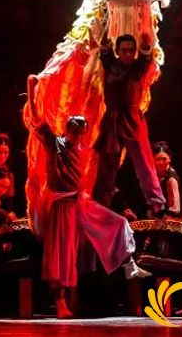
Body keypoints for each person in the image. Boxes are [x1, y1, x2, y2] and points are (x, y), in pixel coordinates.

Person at [25, 84, 151, 319]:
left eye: (81, 132)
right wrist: (32, 89)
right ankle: (61, 303)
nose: (78, 136)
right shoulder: (55, 144)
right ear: (67, 130)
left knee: (116, 223)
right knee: (62, 256)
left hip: (80, 203)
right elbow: (36, 119)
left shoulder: (83, 149)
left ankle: (128, 263)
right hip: (62, 205)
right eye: (74, 132)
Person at [93, 32, 165, 217]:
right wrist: (103, 34)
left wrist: (146, 43)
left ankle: (157, 205)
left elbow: (146, 56)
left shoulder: (138, 67)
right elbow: (104, 50)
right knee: (107, 166)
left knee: (144, 163)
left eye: (131, 50)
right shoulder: (111, 64)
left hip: (132, 119)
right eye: (124, 50)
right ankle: (101, 205)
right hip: (112, 120)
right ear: (118, 51)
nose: (128, 54)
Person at [152, 141, 181, 216]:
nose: (161, 162)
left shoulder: (171, 180)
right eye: (158, 159)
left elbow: (175, 209)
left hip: (168, 217)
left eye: (164, 159)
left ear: (169, 159)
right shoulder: (151, 173)